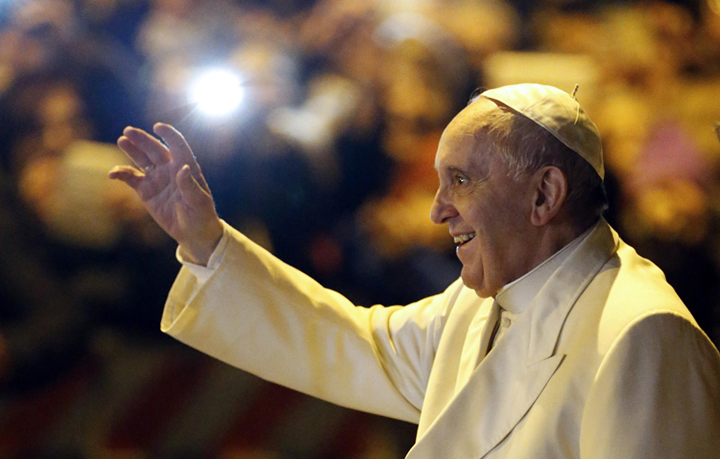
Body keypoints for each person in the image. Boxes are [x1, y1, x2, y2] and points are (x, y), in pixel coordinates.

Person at [109, 83, 720, 458]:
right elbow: (347, 342)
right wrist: (206, 241)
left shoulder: (644, 333)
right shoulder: (479, 301)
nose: (435, 210)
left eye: (460, 180)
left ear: (544, 195)